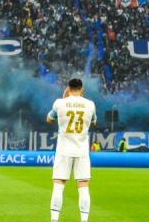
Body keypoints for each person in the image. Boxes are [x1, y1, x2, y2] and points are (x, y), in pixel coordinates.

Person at [46, 78, 97, 222]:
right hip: (81, 151)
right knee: (83, 186)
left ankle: (54, 220)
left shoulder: (59, 103)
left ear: (68, 88)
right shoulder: (90, 104)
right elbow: (94, 122)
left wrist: (64, 100)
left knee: (58, 185)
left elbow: (49, 119)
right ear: (82, 89)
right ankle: (84, 220)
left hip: (64, 150)